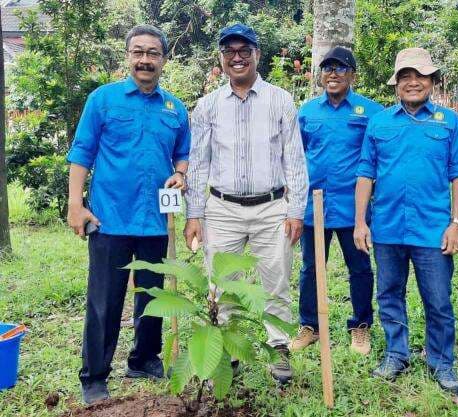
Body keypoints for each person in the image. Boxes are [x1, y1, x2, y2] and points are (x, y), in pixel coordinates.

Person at [66, 25, 190, 404]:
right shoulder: (102, 100)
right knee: (105, 299)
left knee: (153, 295)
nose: (145, 60)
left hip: (156, 221)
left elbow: (183, 151)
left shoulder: (175, 108)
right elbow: (82, 152)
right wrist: (75, 204)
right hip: (109, 218)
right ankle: (94, 376)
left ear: (164, 60)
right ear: (128, 56)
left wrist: (181, 173)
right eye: (138, 52)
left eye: (153, 53)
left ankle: (144, 358)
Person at [183, 23, 308, 385]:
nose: (236, 58)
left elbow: (294, 160)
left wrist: (296, 210)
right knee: (221, 283)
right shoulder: (207, 106)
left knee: (276, 279)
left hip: (272, 207)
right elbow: (199, 162)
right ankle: (225, 351)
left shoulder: (280, 100)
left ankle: (279, 346)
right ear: (221, 58)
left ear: (257, 55)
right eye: (229, 52)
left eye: (244, 51)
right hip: (221, 208)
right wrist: (194, 214)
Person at [354, 48, 458, 395]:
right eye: (405, 75)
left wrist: (457, 223)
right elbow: (365, 173)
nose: (413, 82)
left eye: (420, 75)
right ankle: (396, 353)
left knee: (438, 299)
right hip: (387, 227)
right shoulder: (380, 122)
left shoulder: (449, 122)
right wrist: (360, 221)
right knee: (389, 293)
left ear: (432, 81)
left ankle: (441, 361)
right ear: (396, 83)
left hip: (433, 229)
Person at [289, 46, 383, 355]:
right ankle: (310, 326)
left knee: (359, 267)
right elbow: (296, 157)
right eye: (327, 68)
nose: (333, 73)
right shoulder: (306, 111)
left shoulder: (370, 112)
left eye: (340, 68)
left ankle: (360, 325)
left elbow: (379, 159)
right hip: (313, 206)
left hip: (353, 208)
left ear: (353, 75)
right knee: (310, 268)